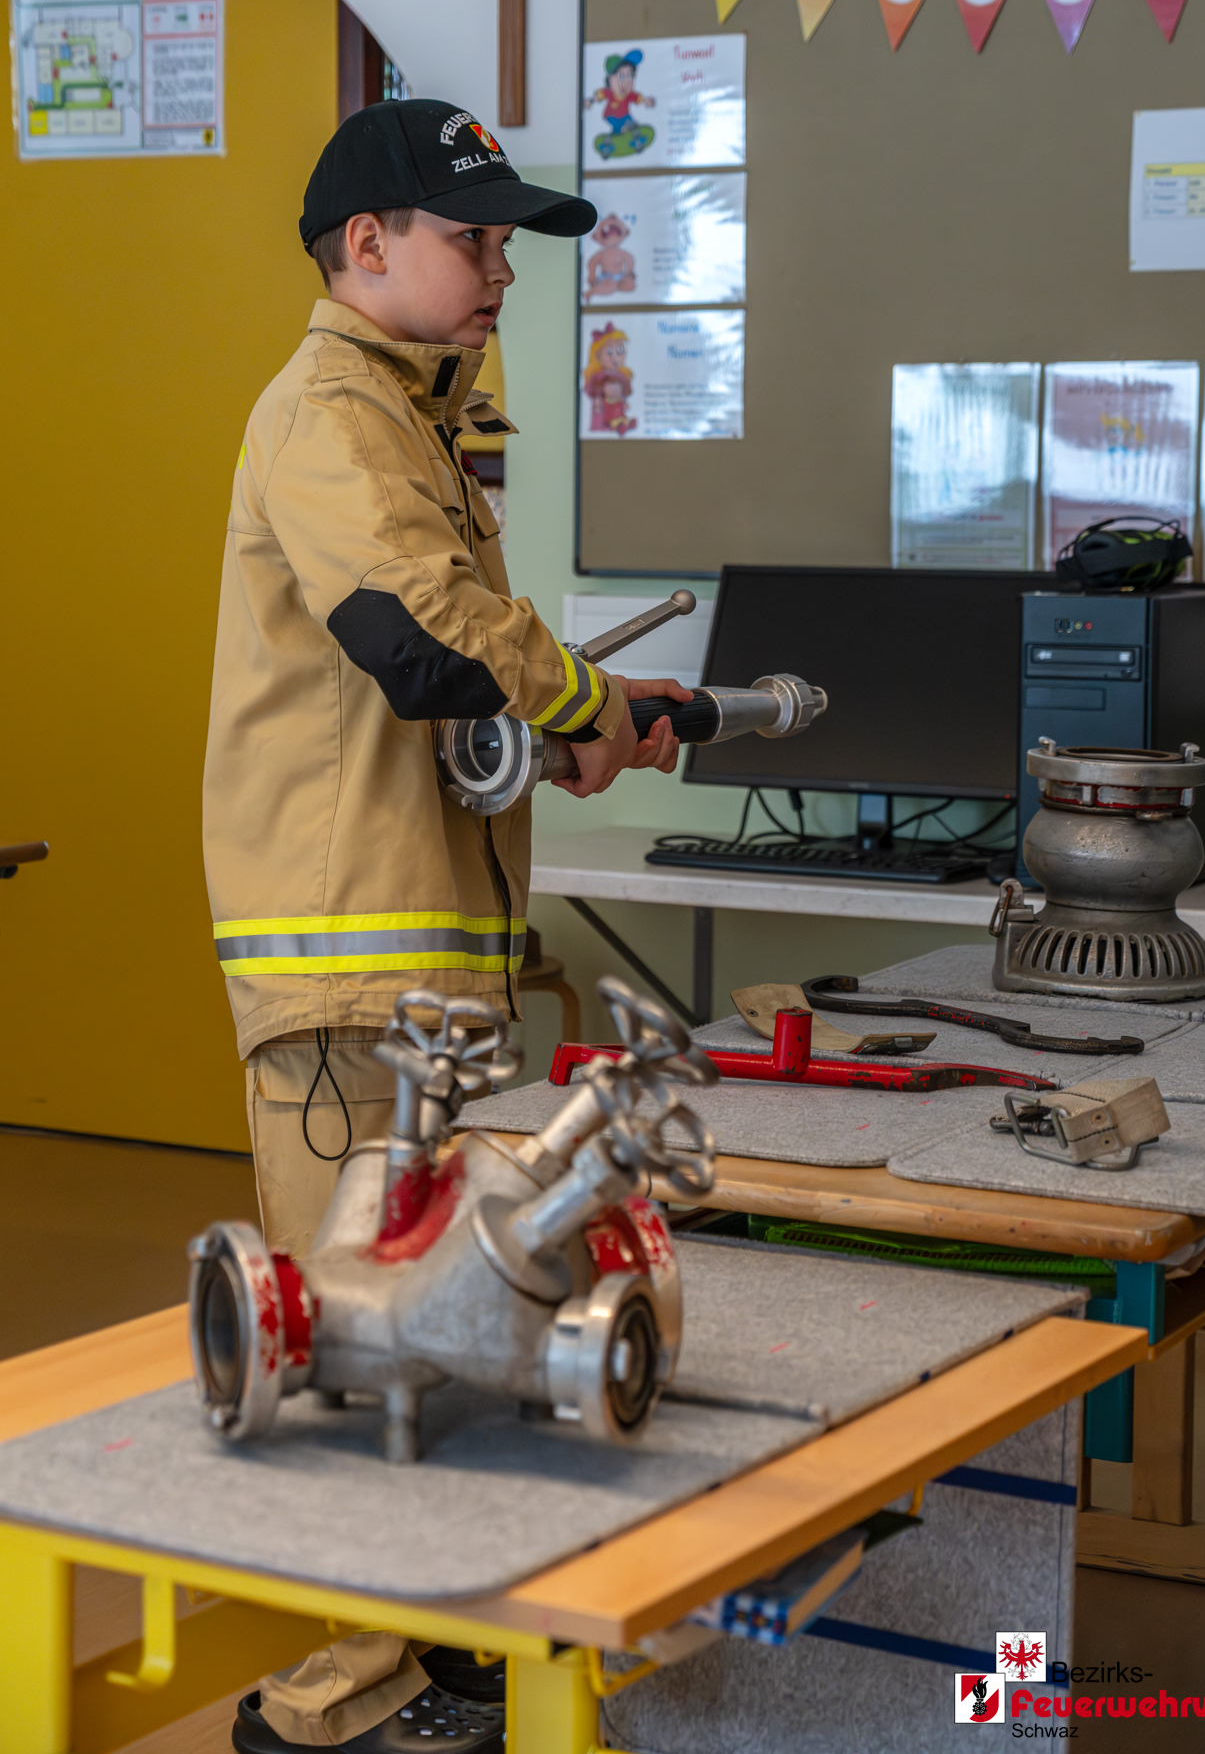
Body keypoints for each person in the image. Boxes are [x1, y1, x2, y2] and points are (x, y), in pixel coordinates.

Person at [204, 97, 690, 1753]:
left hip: (422, 964)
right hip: (342, 966)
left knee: (456, 1310)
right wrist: (584, 705)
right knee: (356, 1329)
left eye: (504, 245)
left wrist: (570, 720)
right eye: (473, 240)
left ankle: (440, 1639)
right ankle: (336, 1699)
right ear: (366, 245)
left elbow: (455, 676)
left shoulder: (413, 417)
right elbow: (420, 638)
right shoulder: (330, 413)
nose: (501, 271)